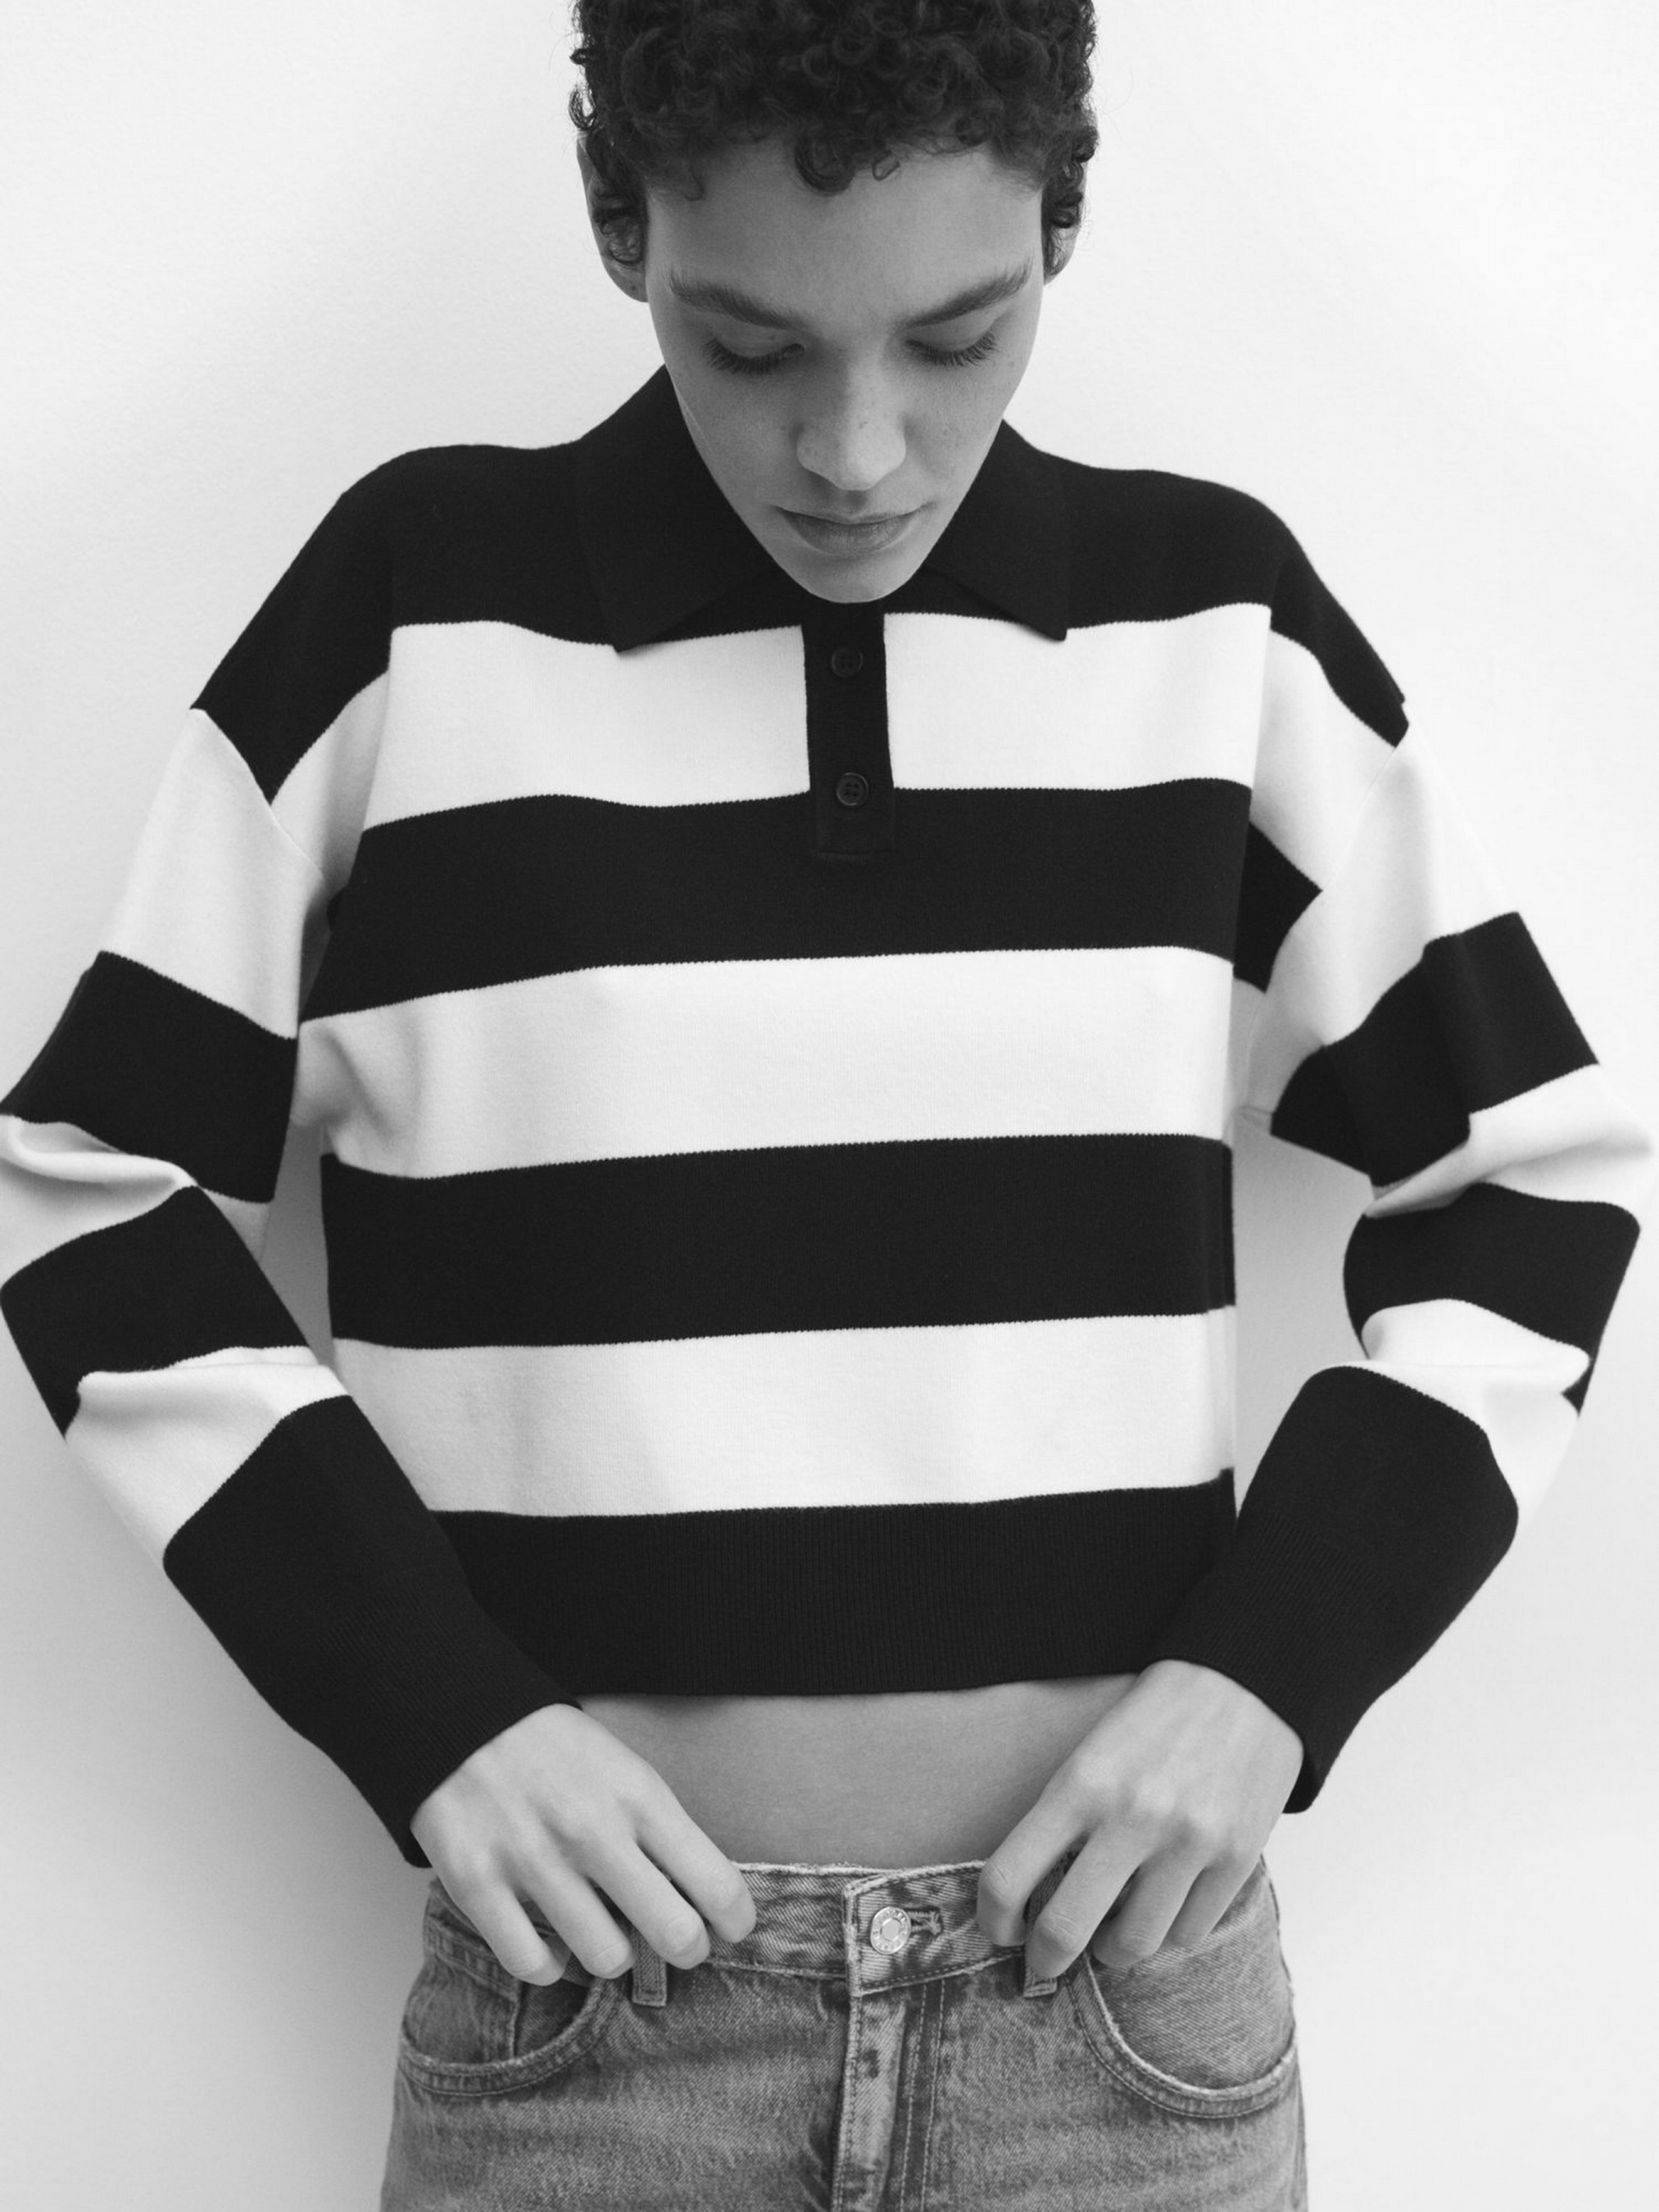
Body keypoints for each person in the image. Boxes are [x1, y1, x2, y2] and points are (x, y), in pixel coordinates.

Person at [0, 3, 1649, 2205]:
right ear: (624, 229)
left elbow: (1532, 1178)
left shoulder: (1208, 625)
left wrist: (1272, 1679)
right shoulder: (414, 617)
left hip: (1115, 2036)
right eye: (748, 343)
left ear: (1059, 232)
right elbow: (87, 1185)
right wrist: (433, 1715)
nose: (857, 452)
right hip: (594, 2038)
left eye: (959, 339)